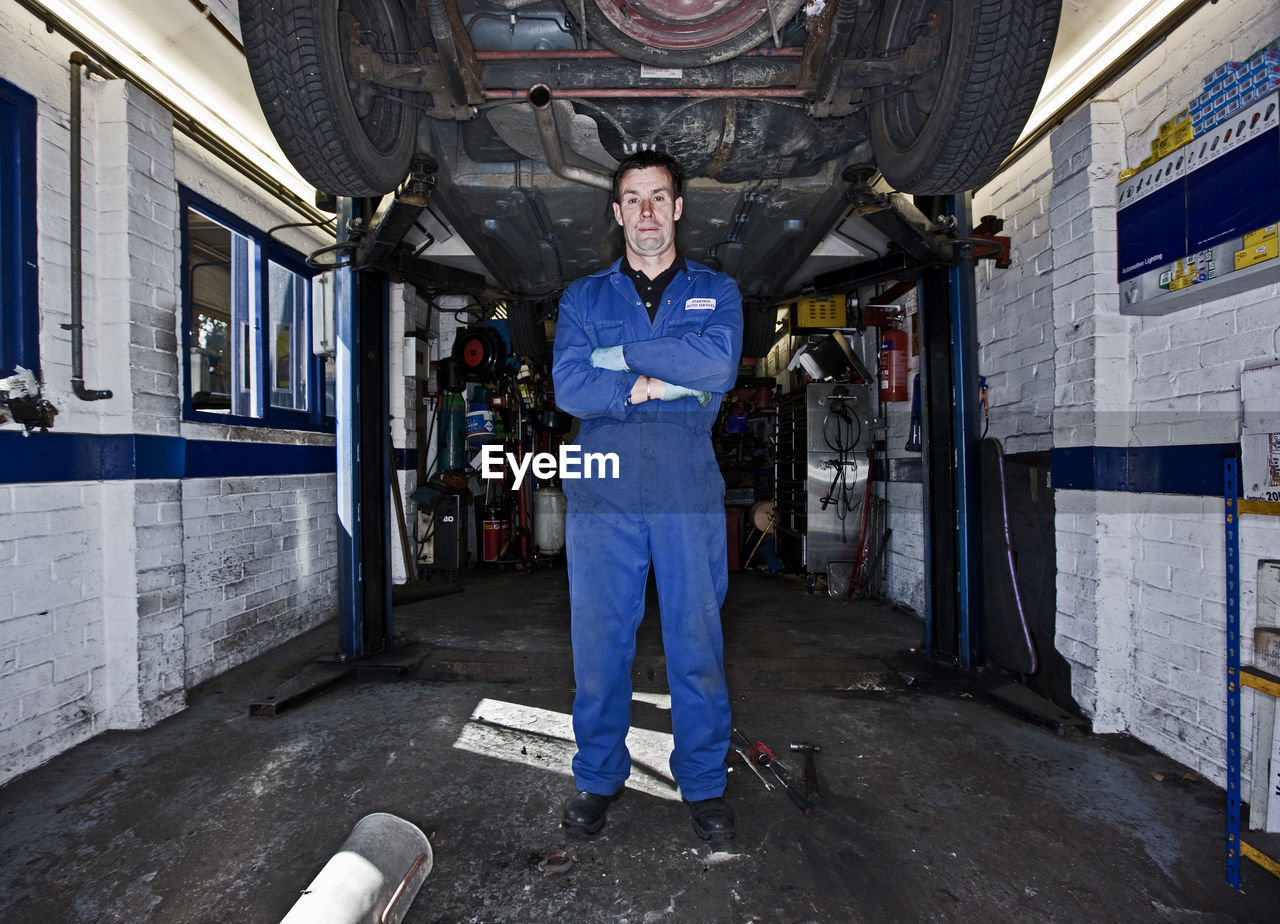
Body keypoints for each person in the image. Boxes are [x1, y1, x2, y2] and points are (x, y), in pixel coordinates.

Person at [551, 150, 743, 842]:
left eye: (659, 197)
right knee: (600, 643)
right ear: (617, 212)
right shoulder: (583, 298)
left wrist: (620, 359)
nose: (647, 212)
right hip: (604, 483)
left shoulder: (717, 291)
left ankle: (703, 782)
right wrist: (666, 373)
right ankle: (598, 777)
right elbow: (568, 387)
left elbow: (717, 365)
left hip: (687, 481)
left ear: (679, 207)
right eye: (633, 199)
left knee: (697, 641)